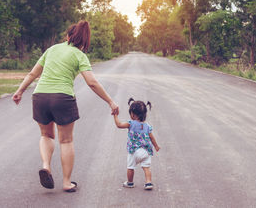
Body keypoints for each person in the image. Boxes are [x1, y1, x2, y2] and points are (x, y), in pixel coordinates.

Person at [12, 20, 119, 192]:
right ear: (84, 41)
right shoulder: (79, 55)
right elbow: (91, 82)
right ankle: (67, 182)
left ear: (67, 36)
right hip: (62, 98)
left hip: (40, 96)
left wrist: (20, 91)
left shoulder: (52, 49)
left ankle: (46, 166)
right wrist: (110, 101)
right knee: (66, 140)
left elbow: (33, 73)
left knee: (46, 135)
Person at [113, 98, 160, 190]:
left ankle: (130, 183)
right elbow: (152, 138)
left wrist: (115, 115)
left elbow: (118, 125)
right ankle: (148, 183)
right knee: (146, 168)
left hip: (134, 151)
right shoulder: (147, 126)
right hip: (146, 151)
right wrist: (156, 146)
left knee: (130, 167)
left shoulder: (131, 124)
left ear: (132, 114)